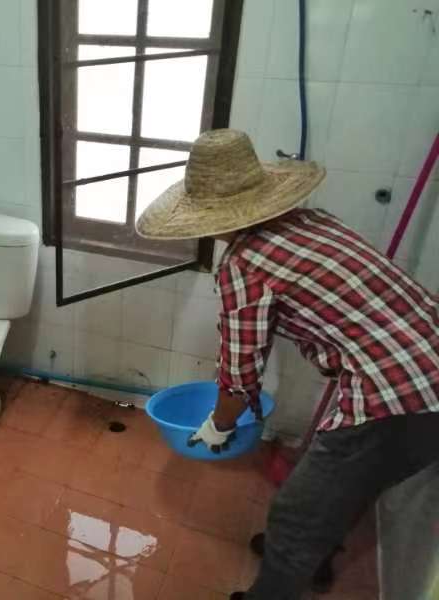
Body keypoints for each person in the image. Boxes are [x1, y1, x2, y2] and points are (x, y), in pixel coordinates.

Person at [136, 129, 439, 600]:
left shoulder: (244, 266)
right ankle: (312, 557)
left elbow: (239, 381)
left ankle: (284, 575)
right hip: (425, 364)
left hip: (397, 395)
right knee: (341, 490)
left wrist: (217, 427)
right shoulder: (315, 221)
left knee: (295, 518)